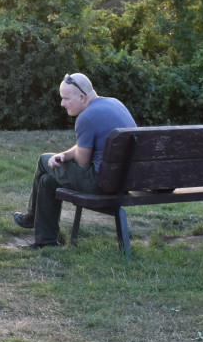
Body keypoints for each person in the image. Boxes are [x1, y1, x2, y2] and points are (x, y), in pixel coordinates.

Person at [14, 73, 136, 249]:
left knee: (43, 160)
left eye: (65, 99)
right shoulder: (115, 104)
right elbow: (82, 147)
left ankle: (31, 217)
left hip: (101, 183)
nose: (62, 104)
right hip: (124, 182)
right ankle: (46, 242)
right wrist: (63, 155)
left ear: (82, 97)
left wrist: (68, 157)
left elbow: (83, 162)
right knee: (47, 181)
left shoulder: (85, 118)